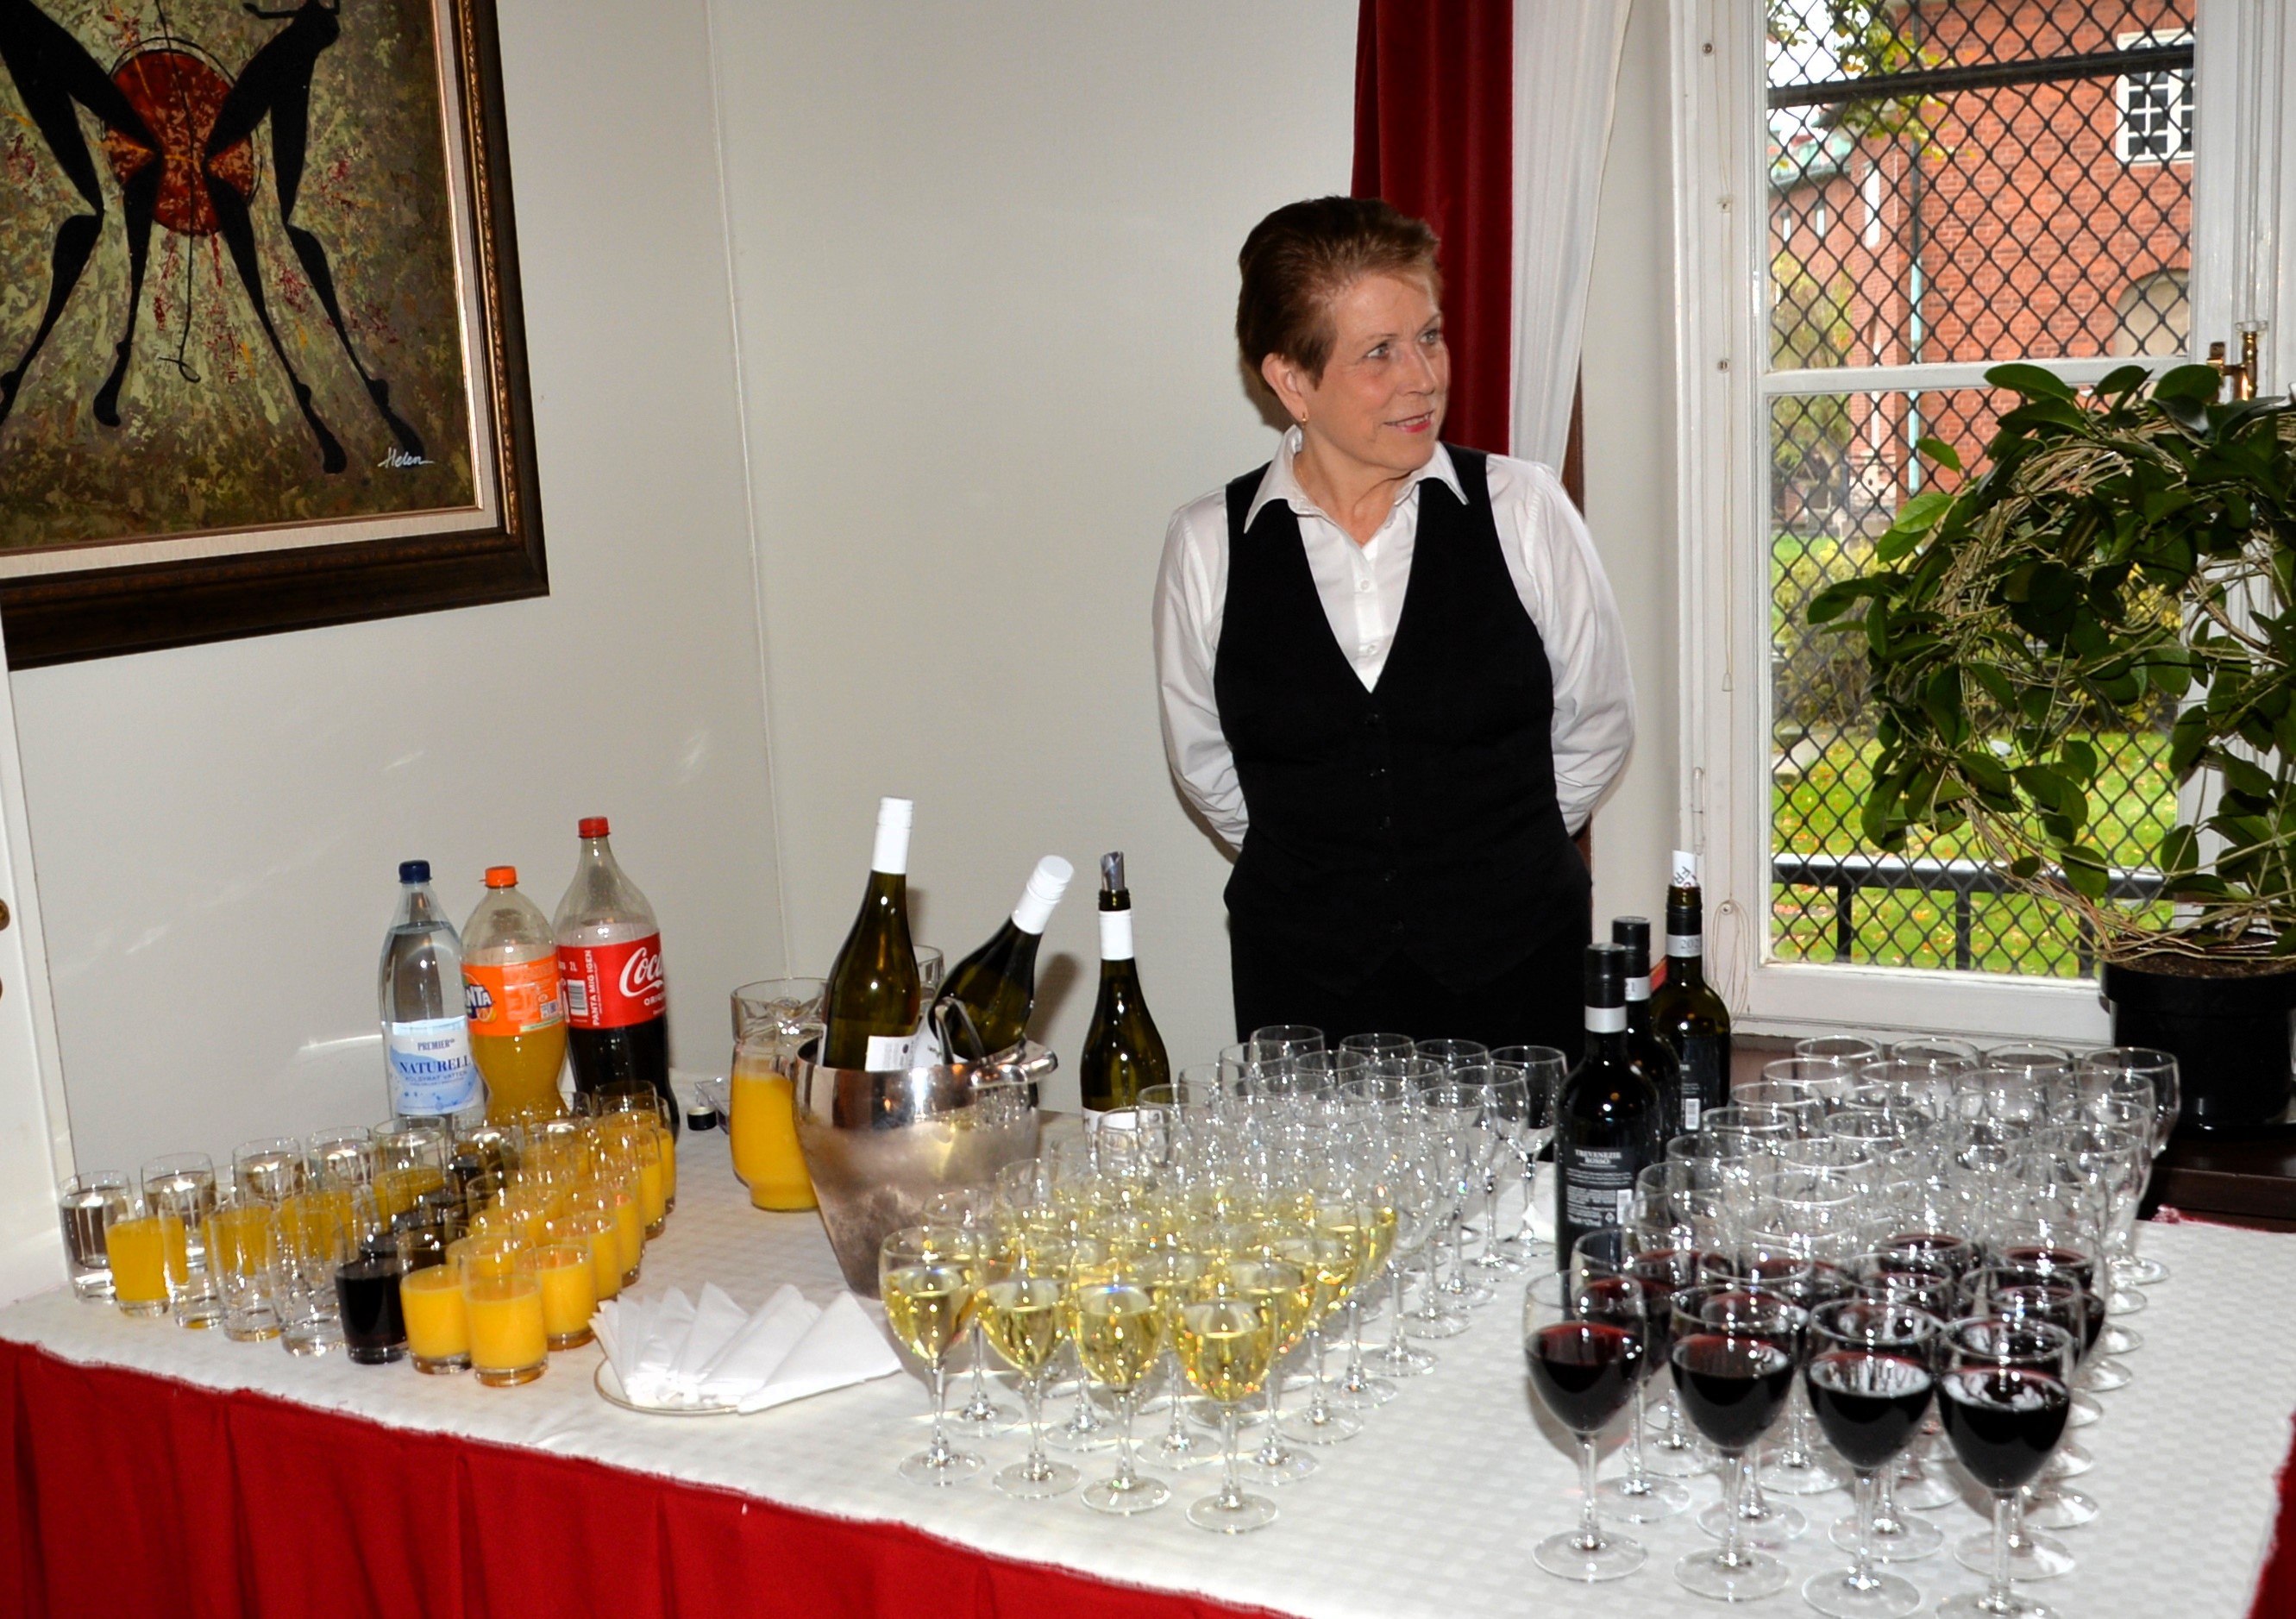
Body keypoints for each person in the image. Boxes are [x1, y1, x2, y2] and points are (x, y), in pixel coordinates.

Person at [1154, 196, 1633, 1056]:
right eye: (1380, 351)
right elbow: (1207, 770)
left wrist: (1491, 861)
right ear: (1292, 382)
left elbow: (1596, 728)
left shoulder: (1524, 510)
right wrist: (1327, 877)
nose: (1424, 376)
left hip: (1518, 982)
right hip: (1303, 999)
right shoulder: (1206, 545)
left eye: (1430, 336)